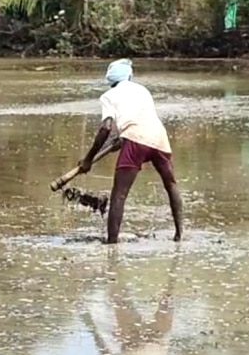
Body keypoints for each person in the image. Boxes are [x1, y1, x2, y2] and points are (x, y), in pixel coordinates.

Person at [76, 58, 183, 244]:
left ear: (110, 80)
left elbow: (105, 128)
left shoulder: (108, 96)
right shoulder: (142, 90)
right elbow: (139, 117)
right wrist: (121, 139)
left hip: (136, 140)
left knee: (119, 194)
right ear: (129, 76)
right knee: (171, 185)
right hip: (159, 137)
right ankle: (179, 234)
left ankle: (111, 243)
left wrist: (88, 159)